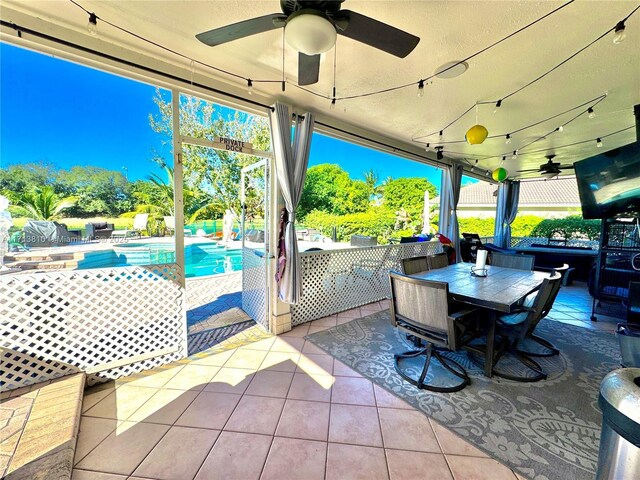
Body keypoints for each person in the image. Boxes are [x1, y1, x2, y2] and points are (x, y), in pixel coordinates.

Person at [0, 195, 14, 271]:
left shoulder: (7, 213)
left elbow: (11, 224)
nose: (7, 204)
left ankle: (2, 265)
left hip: (4, 232)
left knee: (4, 249)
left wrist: (5, 220)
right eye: (6, 202)